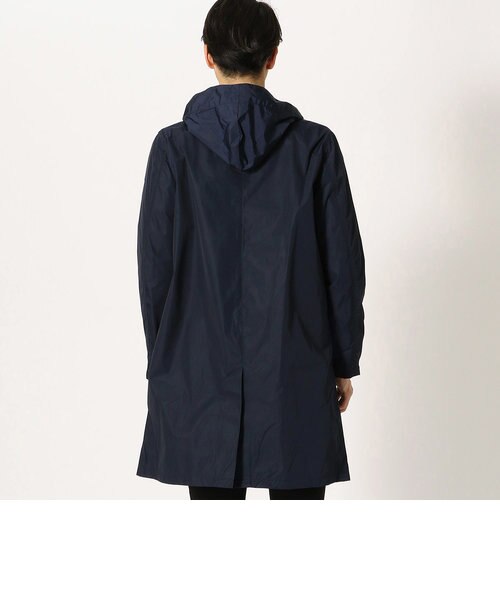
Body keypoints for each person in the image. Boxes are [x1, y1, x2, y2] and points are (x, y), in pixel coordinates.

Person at [136, 0, 366, 501]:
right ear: (273, 56)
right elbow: (343, 267)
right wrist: (343, 360)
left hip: (197, 373)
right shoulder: (315, 147)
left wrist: (167, 360)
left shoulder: (172, 149)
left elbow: (155, 271)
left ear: (207, 55)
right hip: (297, 366)